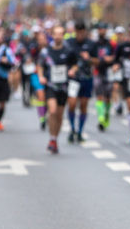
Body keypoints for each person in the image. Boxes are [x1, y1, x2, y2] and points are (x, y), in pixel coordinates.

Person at [37, 25, 77, 154]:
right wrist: (41, 76)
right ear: (52, 35)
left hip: (64, 86)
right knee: (52, 111)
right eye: (56, 34)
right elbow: (40, 66)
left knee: (59, 115)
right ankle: (51, 137)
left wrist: (72, 70)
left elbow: (75, 64)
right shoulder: (46, 51)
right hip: (50, 85)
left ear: (63, 35)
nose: (58, 36)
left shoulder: (68, 50)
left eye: (60, 34)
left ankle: (54, 139)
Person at [66, 21, 99, 143]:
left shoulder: (91, 44)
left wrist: (89, 58)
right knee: (72, 104)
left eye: (82, 32)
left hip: (87, 78)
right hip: (73, 79)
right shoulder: (69, 43)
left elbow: (97, 61)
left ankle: (79, 131)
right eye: (77, 32)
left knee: (84, 105)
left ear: (85, 32)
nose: (80, 34)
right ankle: (72, 129)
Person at [93, 22, 115, 132]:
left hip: (109, 72)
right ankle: (101, 118)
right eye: (100, 28)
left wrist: (111, 59)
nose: (101, 31)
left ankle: (106, 115)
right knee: (99, 96)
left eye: (103, 29)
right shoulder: (94, 44)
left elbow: (116, 56)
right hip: (98, 72)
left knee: (107, 98)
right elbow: (91, 58)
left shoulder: (111, 44)